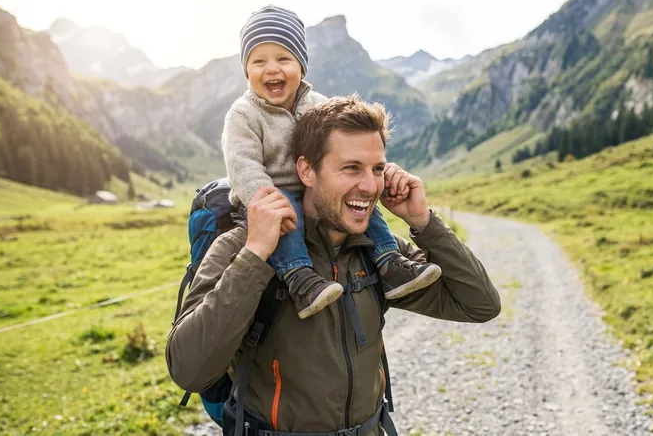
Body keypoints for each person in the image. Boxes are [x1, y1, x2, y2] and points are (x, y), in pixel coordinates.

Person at [166, 94, 501, 435]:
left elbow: (479, 305)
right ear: (306, 170)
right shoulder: (243, 248)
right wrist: (255, 255)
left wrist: (423, 222)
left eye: (378, 169)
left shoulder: (378, 255)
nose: (370, 186)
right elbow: (189, 372)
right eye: (351, 168)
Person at [221, 4, 442, 320]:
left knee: (366, 200)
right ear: (246, 71)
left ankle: (390, 263)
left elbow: (347, 147)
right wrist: (265, 200)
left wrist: (366, 171)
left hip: (313, 189)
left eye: (283, 58)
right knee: (287, 210)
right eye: (258, 61)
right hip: (267, 195)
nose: (271, 68)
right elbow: (242, 165)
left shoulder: (319, 105)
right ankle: (300, 279)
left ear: (301, 65)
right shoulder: (244, 115)